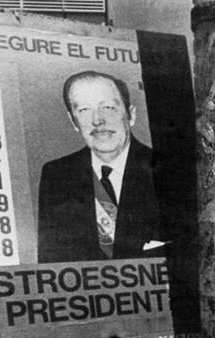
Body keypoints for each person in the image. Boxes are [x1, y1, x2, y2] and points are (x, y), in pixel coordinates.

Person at [38, 70, 164, 263]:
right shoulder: (57, 175)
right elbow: (51, 264)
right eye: (84, 110)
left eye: (108, 108)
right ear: (74, 121)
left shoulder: (169, 171)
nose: (97, 120)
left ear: (131, 115)